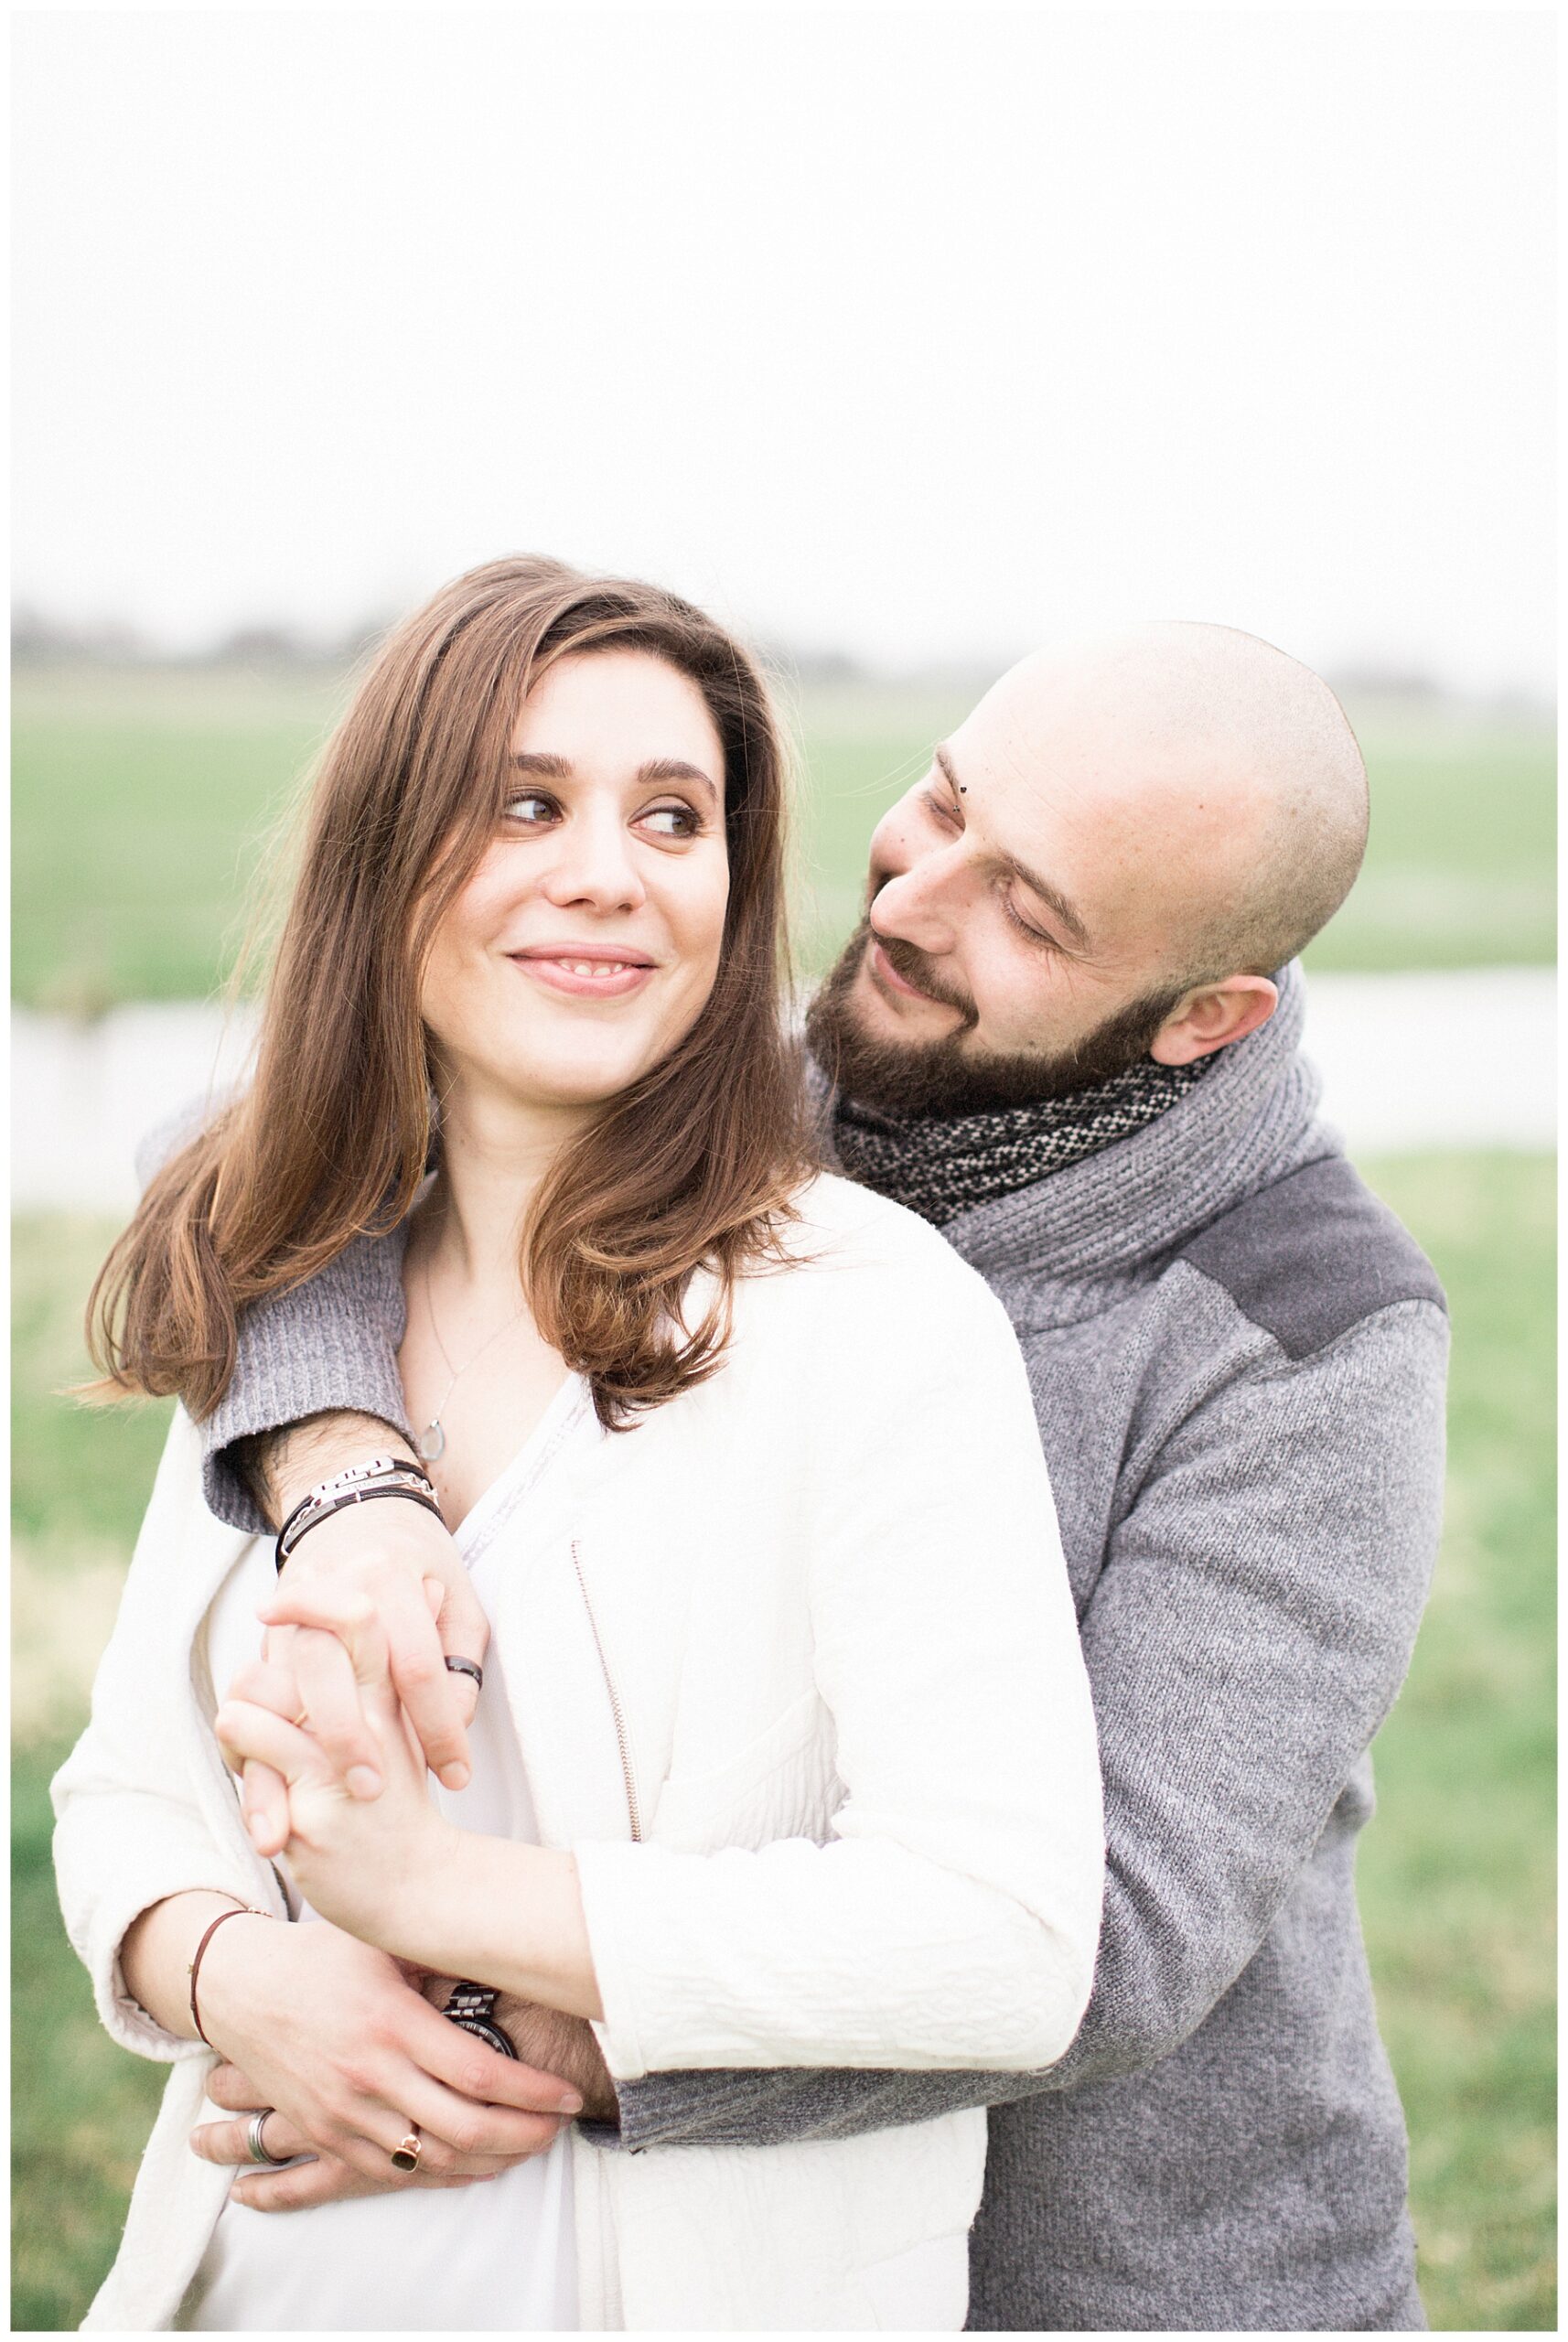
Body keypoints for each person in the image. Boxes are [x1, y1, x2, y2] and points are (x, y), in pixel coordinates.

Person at [199, 619, 1450, 2331]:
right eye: (944, 804)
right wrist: (348, 1470)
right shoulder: (769, 1093)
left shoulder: (1310, 1340)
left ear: (1200, 1017)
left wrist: (475, 2039)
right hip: (712, 2266)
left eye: (1028, 915)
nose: (915, 903)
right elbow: (270, 1169)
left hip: (1115, 2280)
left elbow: (1100, 1938)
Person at [51, 557, 1105, 2333]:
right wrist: (231, 1971)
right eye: (524, 803)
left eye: (671, 816)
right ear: (386, 857)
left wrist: (436, 1895)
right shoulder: (299, 1288)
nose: (608, 870)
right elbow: (125, 1795)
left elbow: (1000, 1936)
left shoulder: (869, 1316)